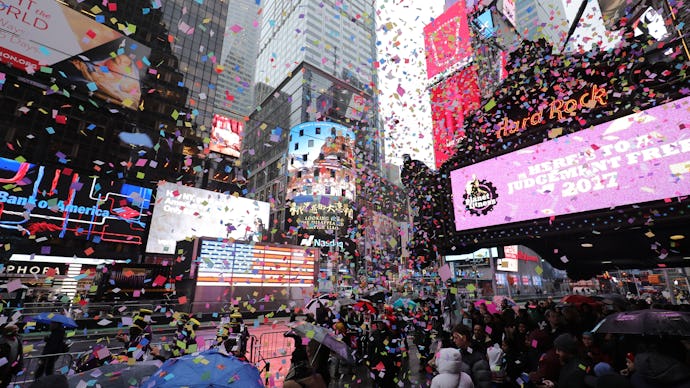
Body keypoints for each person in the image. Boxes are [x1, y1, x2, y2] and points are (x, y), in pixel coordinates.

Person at [452, 324, 492, 388]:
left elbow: (483, 384)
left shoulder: (479, 357)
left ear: (464, 338)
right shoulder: (460, 353)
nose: (454, 340)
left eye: (456, 338)